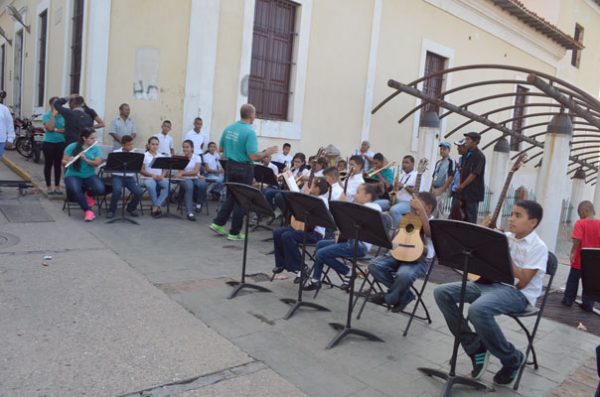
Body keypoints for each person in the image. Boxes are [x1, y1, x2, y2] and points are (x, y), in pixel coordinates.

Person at [434, 200, 548, 385]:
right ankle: (474, 346)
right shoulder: (506, 237)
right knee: (441, 292)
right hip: (490, 285)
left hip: (518, 294)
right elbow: (472, 249)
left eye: (518, 216)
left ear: (533, 222)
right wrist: (480, 231)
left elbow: (523, 281)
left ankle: (511, 358)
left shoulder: (538, 247)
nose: (511, 219)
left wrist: (503, 253)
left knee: (478, 310)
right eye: (511, 214)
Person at [209, 104, 277, 241]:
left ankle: (218, 223)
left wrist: (234, 149)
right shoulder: (249, 132)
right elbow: (253, 156)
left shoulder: (229, 128)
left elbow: (221, 148)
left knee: (233, 196)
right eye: (255, 114)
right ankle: (234, 232)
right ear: (251, 115)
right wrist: (267, 152)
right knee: (242, 199)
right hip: (243, 168)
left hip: (229, 166)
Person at [303, 183, 381, 291]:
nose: (355, 194)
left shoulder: (372, 208)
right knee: (320, 245)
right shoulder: (362, 206)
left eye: (358, 192)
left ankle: (348, 272)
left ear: (367, 196)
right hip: (349, 241)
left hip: (359, 245)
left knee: (321, 254)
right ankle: (316, 279)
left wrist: (344, 203)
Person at [368, 192, 437, 312]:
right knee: (373, 266)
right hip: (399, 254)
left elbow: (429, 233)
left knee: (404, 275)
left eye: (418, 204)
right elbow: (398, 236)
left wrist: (421, 211)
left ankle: (389, 298)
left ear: (429, 207)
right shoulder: (408, 217)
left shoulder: (434, 223)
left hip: (419, 259)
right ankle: (406, 296)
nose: (414, 206)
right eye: (414, 204)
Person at [272, 178, 330, 276]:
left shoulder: (322, 202)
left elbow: (313, 221)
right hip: (302, 228)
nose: (309, 186)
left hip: (315, 233)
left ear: (317, 189)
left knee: (287, 236)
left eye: (312, 185)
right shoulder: (311, 197)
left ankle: (301, 267)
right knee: (277, 232)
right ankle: (281, 263)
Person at [562, 200, 600, 312]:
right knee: (590, 283)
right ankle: (588, 305)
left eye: (579, 213)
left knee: (573, 280)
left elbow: (577, 239)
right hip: (594, 261)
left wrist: (573, 251)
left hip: (580, 258)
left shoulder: (580, 223)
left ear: (583, 212)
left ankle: (568, 300)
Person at [62, 128, 105, 222]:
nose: (94, 140)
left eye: (95, 138)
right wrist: (69, 160)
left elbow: (97, 163)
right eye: (91, 138)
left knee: (100, 188)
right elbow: (63, 161)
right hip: (73, 174)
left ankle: (88, 194)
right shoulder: (72, 146)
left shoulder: (95, 148)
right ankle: (88, 211)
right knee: (75, 190)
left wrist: (86, 159)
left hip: (89, 175)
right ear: (84, 138)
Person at [107, 135, 143, 219]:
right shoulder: (115, 153)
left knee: (139, 192)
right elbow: (110, 166)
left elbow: (138, 168)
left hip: (129, 177)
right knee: (117, 190)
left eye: (132, 144)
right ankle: (111, 210)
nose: (131, 146)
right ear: (123, 145)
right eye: (129, 145)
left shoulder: (134, 154)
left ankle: (131, 208)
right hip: (117, 176)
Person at [455, 132, 486, 223]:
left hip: (472, 192)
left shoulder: (479, 156)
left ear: (475, 142)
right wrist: (459, 183)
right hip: (463, 192)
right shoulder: (466, 154)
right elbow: (462, 171)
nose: (466, 141)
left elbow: (474, 174)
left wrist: (462, 186)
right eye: (466, 139)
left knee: (470, 217)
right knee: (460, 216)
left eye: (468, 139)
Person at [177, 140, 208, 221]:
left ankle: (199, 203)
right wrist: (185, 174)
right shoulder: (180, 157)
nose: (185, 149)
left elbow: (195, 171)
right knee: (189, 186)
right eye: (183, 147)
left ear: (192, 148)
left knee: (203, 184)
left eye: (187, 147)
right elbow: (179, 172)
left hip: (195, 177)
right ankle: (190, 212)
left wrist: (184, 172)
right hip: (184, 179)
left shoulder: (197, 157)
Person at [42, 97, 66, 195]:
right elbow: (49, 127)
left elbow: (65, 130)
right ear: (51, 105)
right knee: (48, 164)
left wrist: (55, 130)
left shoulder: (64, 116)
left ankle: (57, 186)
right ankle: (48, 186)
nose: (56, 106)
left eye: (58, 104)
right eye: (54, 104)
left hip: (61, 143)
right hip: (48, 143)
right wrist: (53, 116)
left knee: (58, 165)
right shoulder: (46, 115)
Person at [386, 155, 419, 227]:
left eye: (407, 162)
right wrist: (394, 189)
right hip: (396, 200)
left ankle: (399, 229)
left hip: (408, 202)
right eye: (403, 162)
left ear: (413, 164)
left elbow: (417, 193)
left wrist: (404, 186)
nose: (404, 164)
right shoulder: (401, 175)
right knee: (378, 204)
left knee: (394, 210)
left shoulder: (417, 175)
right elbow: (396, 189)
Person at [140, 136, 169, 218]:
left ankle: (155, 206)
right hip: (148, 177)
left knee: (168, 185)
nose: (155, 146)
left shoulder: (161, 156)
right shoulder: (144, 155)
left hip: (159, 177)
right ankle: (156, 207)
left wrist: (162, 176)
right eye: (153, 144)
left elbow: (165, 169)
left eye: (156, 144)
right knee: (151, 185)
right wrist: (151, 175)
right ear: (148, 145)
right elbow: (141, 170)